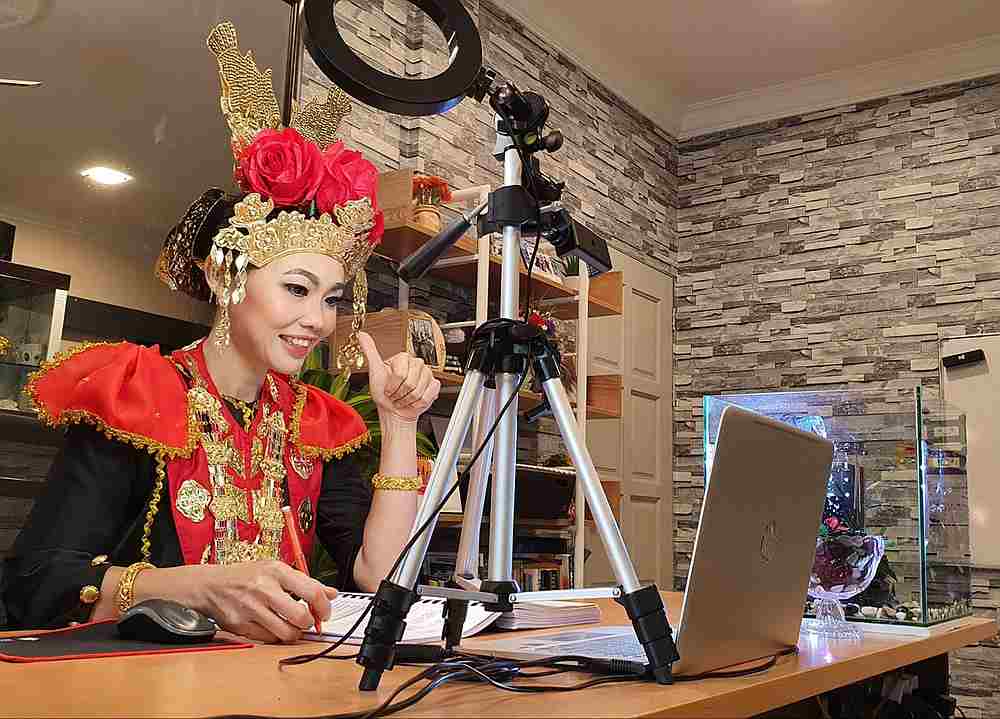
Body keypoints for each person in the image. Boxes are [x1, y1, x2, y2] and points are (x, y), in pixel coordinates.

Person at [1, 21, 440, 643]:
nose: (317, 319)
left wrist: (398, 427)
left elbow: (380, 578)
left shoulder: (315, 421)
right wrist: (193, 585)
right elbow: (34, 585)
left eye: (331, 298)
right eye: (296, 288)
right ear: (225, 275)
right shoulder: (139, 396)